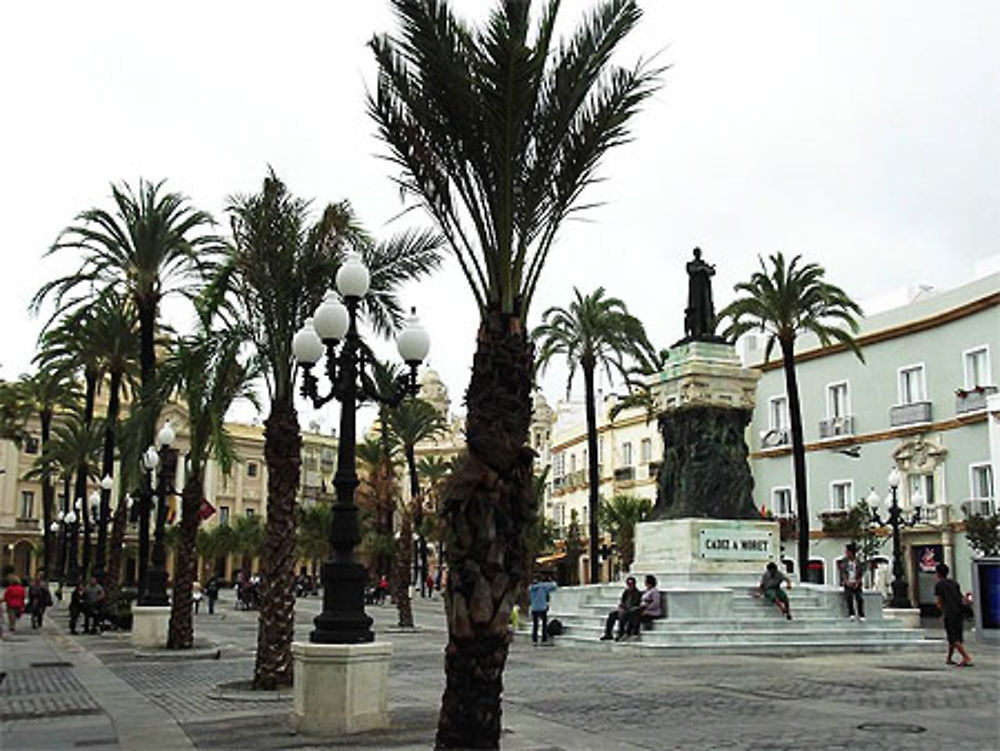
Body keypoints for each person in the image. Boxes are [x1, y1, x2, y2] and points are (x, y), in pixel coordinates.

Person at [934, 563, 973, 667]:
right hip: (959, 612)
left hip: (950, 613)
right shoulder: (954, 583)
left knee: (953, 637)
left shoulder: (939, 585)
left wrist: (941, 611)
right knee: (955, 635)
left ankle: (966, 657)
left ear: (937, 573)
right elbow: (960, 597)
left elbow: (939, 601)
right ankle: (949, 658)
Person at [600, 576, 642, 641]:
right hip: (623, 609)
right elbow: (622, 602)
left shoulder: (637, 593)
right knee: (612, 614)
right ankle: (608, 633)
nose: (630, 585)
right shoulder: (626, 592)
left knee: (623, 615)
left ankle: (620, 634)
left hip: (631, 611)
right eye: (628, 584)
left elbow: (636, 604)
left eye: (631, 584)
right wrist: (621, 607)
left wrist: (626, 609)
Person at [528, 571, 558, 646]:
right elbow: (554, 586)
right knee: (544, 624)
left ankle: (534, 639)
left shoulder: (531, 588)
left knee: (535, 625)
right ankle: (544, 638)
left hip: (534, 608)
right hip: (542, 607)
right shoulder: (543, 586)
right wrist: (551, 580)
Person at [841, 542, 865, 621]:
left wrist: (857, 582)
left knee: (859, 598)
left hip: (856, 582)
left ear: (851, 553)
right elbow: (843, 572)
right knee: (849, 597)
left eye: (847, 552)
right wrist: (846, 582)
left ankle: (861, 614)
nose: (846, 553)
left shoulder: (858, 562)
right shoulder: (844, 562)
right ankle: (851, 613)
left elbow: (861, 573)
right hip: (848, 582)